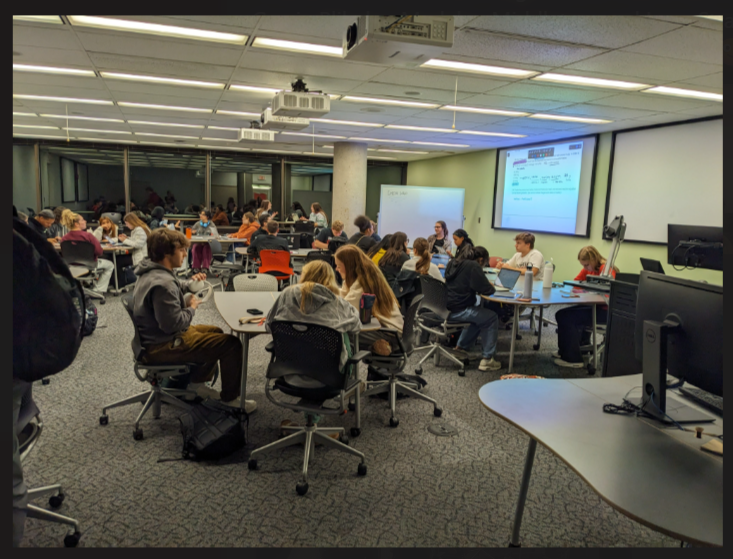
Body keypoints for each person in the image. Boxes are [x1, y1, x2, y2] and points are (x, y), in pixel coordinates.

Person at [132, 228, 254, 411]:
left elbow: (175, 286)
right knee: (231, 344)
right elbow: (172, 324)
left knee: (215, 332)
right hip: (162, 345)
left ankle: (196, 385)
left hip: (151, 339)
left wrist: (190, 284)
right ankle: (230, 400)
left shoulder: (151, 271)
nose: (184, 254)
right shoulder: (162, 283)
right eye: (181, 250)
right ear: (167, 253)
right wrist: (191, 308)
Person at [267, 260, 361, 371]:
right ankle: (353, 384)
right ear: (331, 279)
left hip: (288, 371)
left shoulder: (286, 294)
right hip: (329, 377)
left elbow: (269, 325)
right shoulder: (339, 304)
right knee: (343, 334)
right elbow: (356, 327)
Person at [554, 246, 618, 369]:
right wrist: (587, 290)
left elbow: (607, 295)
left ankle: (573, 359)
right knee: (560, 314)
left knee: (567, 317)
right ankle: (565, 351)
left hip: (606, 311)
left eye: (587, 264)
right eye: (583, 265)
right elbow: (576, 283)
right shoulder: (589, 269)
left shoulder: (606, 270)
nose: (585, 268)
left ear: (594, 260)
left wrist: (586, 291)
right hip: (595, 306)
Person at [334, 244, 404, 356]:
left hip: (391, 335)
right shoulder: (362, 276)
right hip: (390, 330)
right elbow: (344, 294)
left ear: (348, 266)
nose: (336, 269)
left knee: (340, 334)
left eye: (339, 266)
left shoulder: (362, 285)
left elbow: (344, 311)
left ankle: (349, 371)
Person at [444, 241, 501, 372]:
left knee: (480, 316)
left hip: (444, 308)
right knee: (491, 317)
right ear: (480, 260)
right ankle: (487, 360)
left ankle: (460, 349)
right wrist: (490, 285)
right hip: (459, 310)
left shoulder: (453, 262)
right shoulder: (473, 266)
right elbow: (487, 290)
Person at [60, 210, 115, 295]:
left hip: (71, 265)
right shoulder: (88, 236)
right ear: (76, 224)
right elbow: (99, 252)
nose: (85, 221)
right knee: (110, 265)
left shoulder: (64, 238)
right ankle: (98, 290)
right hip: (89, 265)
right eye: (82, 220)